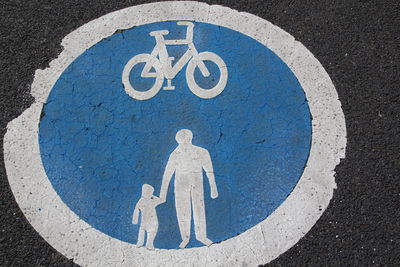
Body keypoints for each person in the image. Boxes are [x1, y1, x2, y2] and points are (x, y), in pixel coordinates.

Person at [159, 129, 218, 249]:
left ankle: (201, 236)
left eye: (185, 140)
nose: (184, 143)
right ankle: (185, 238)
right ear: (178, 141)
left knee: (199, 208)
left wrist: (213, 188)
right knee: (182, 210)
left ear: (190, 138)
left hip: (196, 182)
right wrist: (162, 195)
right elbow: (167, 174)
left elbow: (209, 171)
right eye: (182, 141)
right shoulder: (175, 154)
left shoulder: (201, 151)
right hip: (181, 184)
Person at [132, 184, 161, 250]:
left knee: (143, 230)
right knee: (150, 231)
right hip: (152, 220)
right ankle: (147, 244)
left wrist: (135, 221)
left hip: (146, 220)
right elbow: (160, 200)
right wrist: (153, 196)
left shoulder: (141, 200)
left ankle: (142, 243)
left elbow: (136, 210)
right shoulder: (151, 200)